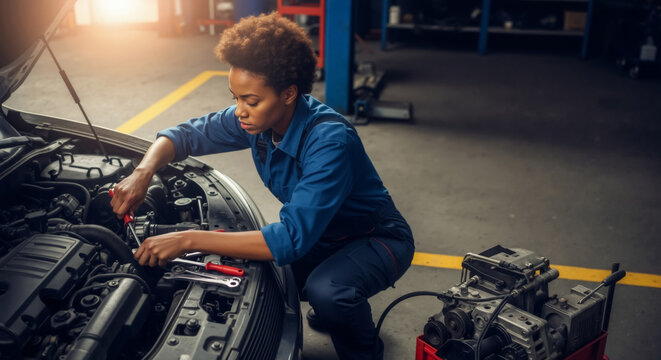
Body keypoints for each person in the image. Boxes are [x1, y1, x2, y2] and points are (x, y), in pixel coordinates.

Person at [110, 12, 414, 360]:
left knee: (327, 290)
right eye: (235, 97)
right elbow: (183, 136)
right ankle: (335, 299)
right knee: (255, 270)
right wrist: (144, 171)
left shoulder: (330, 141)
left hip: (376, 237)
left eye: (251, 100)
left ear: (288, 93)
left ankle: (363, 347)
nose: (239, 111)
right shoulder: (253, 119)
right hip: (322, 234)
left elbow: (290, 238)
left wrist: (186, 238)